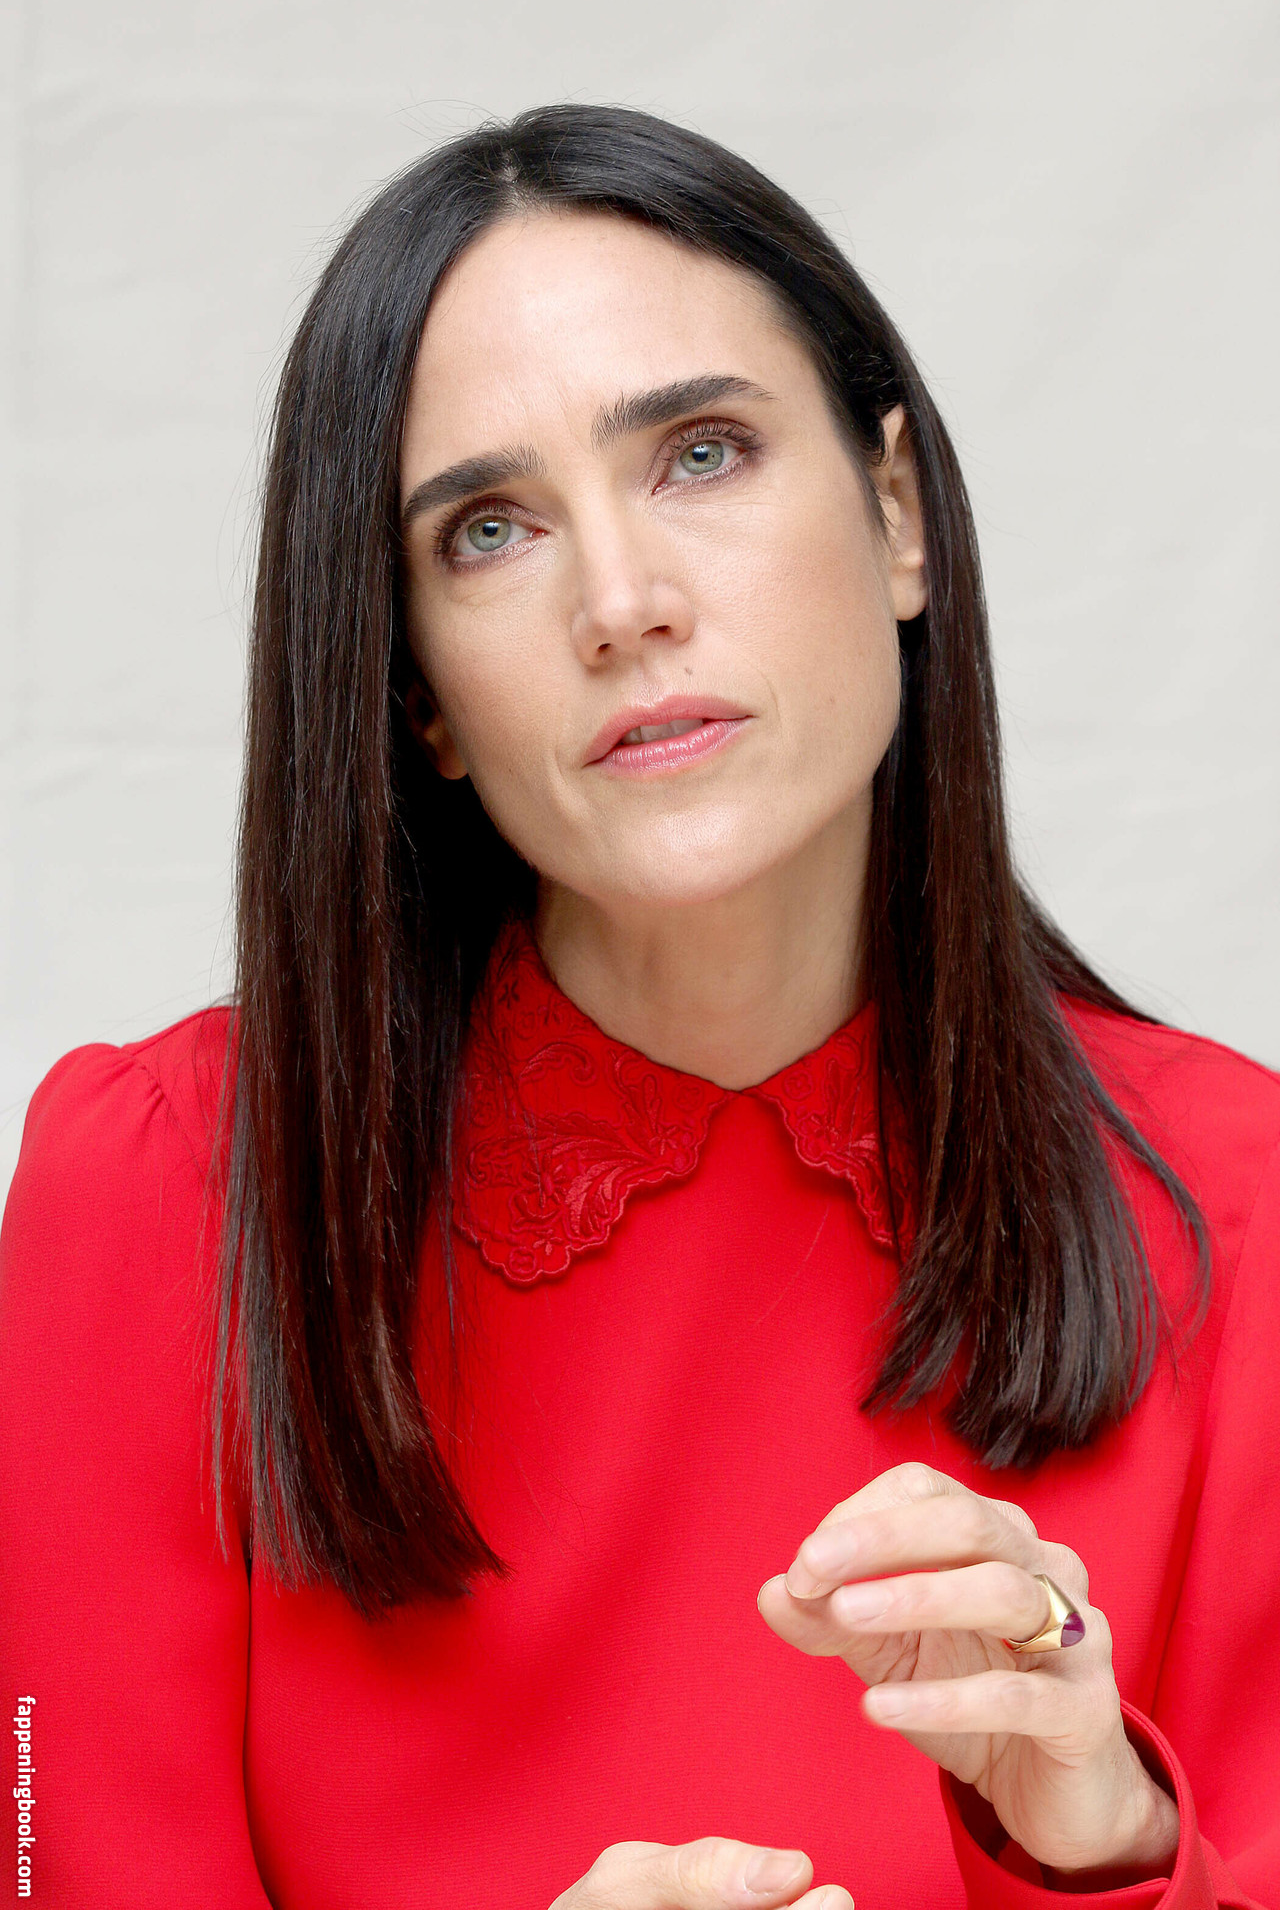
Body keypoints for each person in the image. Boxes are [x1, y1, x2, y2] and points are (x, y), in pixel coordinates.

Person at [0, 101, 1277, 1910]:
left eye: (701, 452)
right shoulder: (159, 1193)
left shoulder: (1241, 1204)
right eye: (489, 530)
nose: (621, 602)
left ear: (897, 516)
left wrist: (1111, 1848)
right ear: (420, 694)